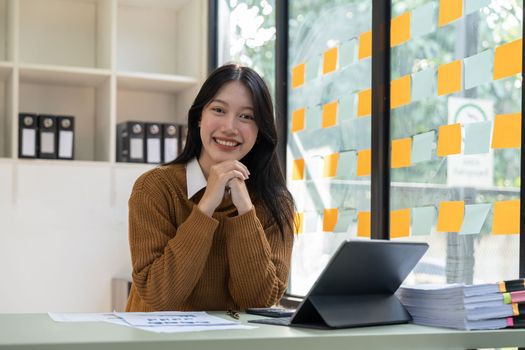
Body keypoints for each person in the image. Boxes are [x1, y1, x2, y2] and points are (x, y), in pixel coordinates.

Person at [126, 64, 295, 312]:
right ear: (198, 118)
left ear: (260, 131)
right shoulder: (154, 188)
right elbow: (159, 296)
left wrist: (244, 211)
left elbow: (260, 303)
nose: (230, 127)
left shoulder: (275, 202)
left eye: (246, 116)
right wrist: (206, 207)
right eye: (218, 110)